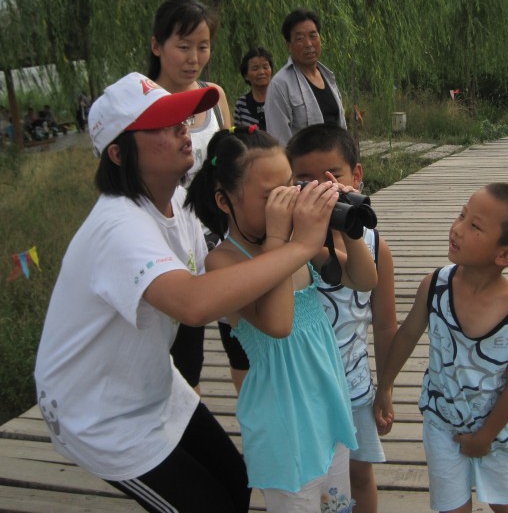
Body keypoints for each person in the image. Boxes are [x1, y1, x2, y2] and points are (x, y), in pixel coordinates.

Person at [35, 72, 339, 513]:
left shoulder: (175, 203)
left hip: (152, 386)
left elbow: (237, 244)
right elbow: (194, 303)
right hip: (99, 414)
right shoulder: (118, 227)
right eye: (160, 125)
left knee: (235, 481)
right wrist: (301, 246)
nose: (181, 128)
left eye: (180, 117)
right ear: (118, 153)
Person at [185, 124, 377, 511]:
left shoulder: (296, 244)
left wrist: (348, 225)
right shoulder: (225, 260)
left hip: (326, 406)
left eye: (292, 186)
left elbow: (363, 279)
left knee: (337, 506)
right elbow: (277, 324)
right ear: (225, 202)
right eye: (272, 196)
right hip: (284, 423)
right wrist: (283, 241)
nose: (289, 202)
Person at [374, 183, 508, 513]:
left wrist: (485, 436)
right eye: (461, 215)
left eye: (474, 226)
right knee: (451, 505)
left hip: (496, 429)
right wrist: (385, 387)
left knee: (503, 501)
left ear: (506, 254)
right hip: (442, 419)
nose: (457, 229)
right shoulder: (435, 285)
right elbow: (408, 334)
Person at [286, 123, 397, 513]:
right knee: (309, 483)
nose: (321, 189)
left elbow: (384, 325)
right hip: (304, 395)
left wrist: (385, 387)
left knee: (360, 478)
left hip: (355, 389)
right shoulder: (284, 243)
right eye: (305, 180)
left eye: (333, 176)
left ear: (358, 176)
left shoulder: (374, 245)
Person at [148, 0, 233, 394]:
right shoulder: (144, 106)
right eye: (183, 46)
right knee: (186, 357)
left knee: (243, 343)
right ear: (156, 46)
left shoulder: (214, 96)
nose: (193, 57)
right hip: (171, 246)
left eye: (202, 46)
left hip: (222, 239)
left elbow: (233, 166)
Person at [265, 8, 347, 144]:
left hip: (336, 160)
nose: (308, 44)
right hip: (305, 164)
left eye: (313, 36)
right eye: (300, 39)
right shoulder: (280, 85)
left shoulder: (328, 77)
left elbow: (341, 126)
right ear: (289, 45)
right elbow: (279, 141)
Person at [234, 46, 273, 130]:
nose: (261, 72)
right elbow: (238, 135)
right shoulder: (241, 104)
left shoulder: (280, 99)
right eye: (255, 69)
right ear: (246, 75)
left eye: (265, 67)